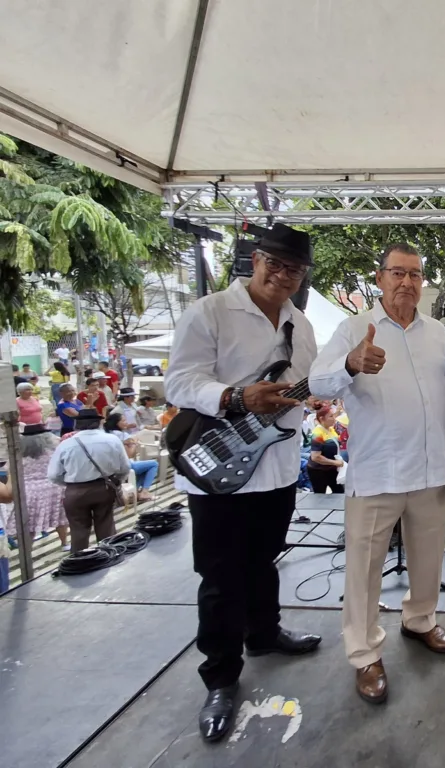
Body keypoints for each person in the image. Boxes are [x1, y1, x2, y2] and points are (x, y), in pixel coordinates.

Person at [165, 223, 322, 742]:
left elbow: (299, 390)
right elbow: (179, 382)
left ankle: (264, 633)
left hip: (276, 467)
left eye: (294, 268)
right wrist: (235, 397)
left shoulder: (302, 325)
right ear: (255, 261)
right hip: (219, 466)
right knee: (220, 577)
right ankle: (220, 677)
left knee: (263, 559)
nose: (283, 275)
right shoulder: (209, 312)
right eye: (274, 263)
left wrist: (323, 391)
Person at [310, 242, 445, 705]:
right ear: (379, 278)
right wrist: (350, 363)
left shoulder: (438, 333)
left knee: (428, 558)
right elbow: (316, 381)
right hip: (377, 472)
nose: (407, 282)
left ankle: (420, 620)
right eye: (398, 273)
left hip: (429, 470)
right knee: (364, 571)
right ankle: (364, 654)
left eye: (415, 274)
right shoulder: (353, 328)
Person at [46, 408, 130, 552]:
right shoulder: (112, 440)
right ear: (98, 423)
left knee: (78, 530)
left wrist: (71, 484)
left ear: (77, 424)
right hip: (104, 488)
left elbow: (53, 475)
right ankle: (109, 556)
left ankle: (80, 560)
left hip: (75, 492)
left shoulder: (66, 444)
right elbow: (125, 467)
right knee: (106, 526)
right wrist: (117, 482)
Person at [19, 423, 70, 550]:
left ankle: (26, 551)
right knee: (60, 518)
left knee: (29, 524)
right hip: (54, 487)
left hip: (28, 491)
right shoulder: (52, 451)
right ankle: (64, 543)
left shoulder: (19, 456)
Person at [103, 412, 158, 502]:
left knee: (144, 467)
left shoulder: (107, 434)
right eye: (123, 420)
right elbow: (129, 455)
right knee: (153, 464)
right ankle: (144, 492)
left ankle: (136, 492)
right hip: (124, 465)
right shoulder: (123, 435)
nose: (126, 422)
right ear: (116, 423)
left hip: (110, 466)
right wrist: (134, 444)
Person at [307, 406, 345, 494]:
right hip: (318, 470)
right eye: (331, 416)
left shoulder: (331, 429)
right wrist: (335, 462)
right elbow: (315, 457)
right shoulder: (317, 434)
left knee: (339, 492)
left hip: (332, 468)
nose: (334, 418)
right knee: (320, 495)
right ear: (322, 419)